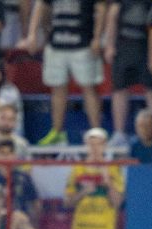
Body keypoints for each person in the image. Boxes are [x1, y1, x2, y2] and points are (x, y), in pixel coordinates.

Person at [22, 0, 107, 146]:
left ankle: (96, 132)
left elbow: (101, 8)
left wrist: (98, 38)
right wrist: (33, 34)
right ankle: (57, 132)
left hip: (83, 43)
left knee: (89, 88)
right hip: (56, 42)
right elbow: (41, 5)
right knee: (57, 88)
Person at [104, 0, 152, 148]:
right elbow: (112, 17)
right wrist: (109, 45)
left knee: (151, 89)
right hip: (123, 45)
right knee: (119, 88)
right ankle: (119, 133)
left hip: (147, 46)